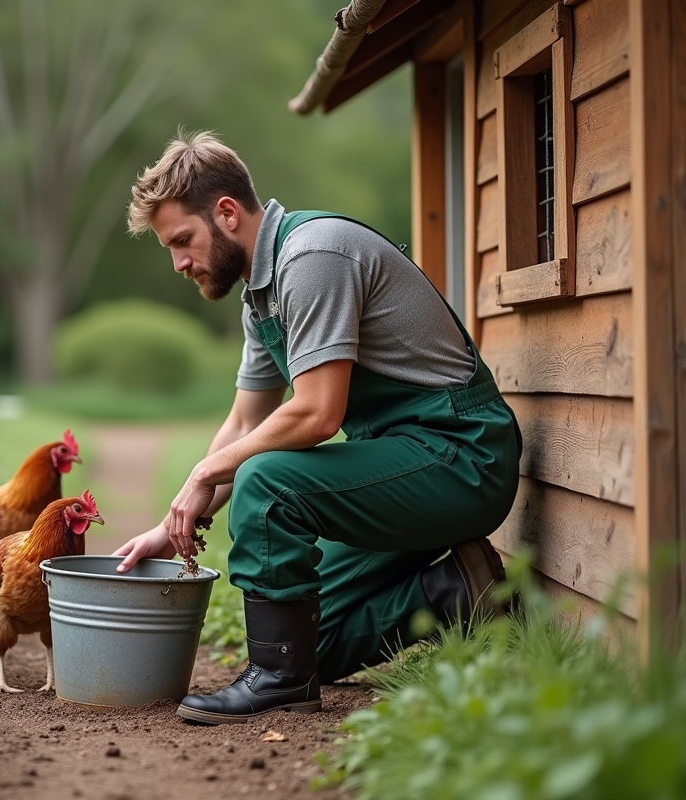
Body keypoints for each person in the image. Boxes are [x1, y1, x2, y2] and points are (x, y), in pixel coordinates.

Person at [113, 130, 522, 726]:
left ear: (226, 213)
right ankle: (456, 590)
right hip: (402, 462)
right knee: (307, 639)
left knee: (268, 481)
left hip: (461, 456)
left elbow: (317, 413)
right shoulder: (262, 293)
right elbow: (247, 420)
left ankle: (277, 685)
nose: (178, 262)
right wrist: (175, 514)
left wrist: (210, 472)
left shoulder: (314, 257)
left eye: (183, 240)